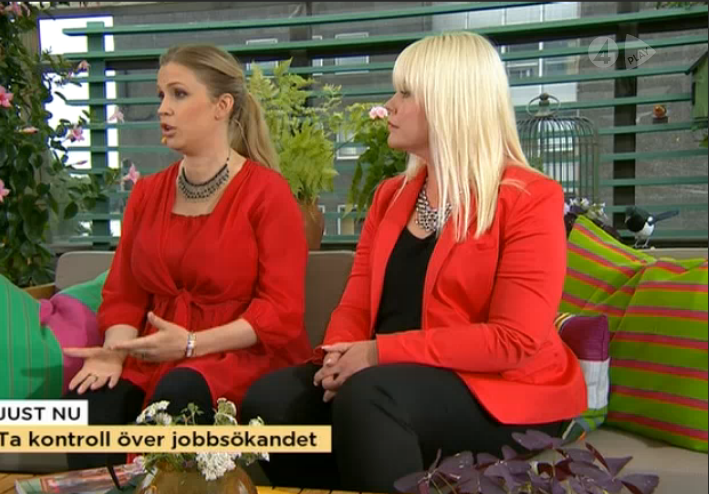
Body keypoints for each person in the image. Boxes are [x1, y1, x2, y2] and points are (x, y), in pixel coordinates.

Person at [241, 31, 587, 492]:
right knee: (269, 403)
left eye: (405, 93)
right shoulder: (390, 196)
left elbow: (513, 340)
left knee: (370, 398)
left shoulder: (530, 198)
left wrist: (377, 354)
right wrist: (336, 358)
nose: (389, 105)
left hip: (501, 387)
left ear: (450, 104)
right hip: (390, 382)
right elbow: (356, 304)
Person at [62, 44, 312, 470]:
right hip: (157, 353)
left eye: (178, 94)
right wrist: (114, 351)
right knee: (89, 399)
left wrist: (192, 344)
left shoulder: (268, 193)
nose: (163, 108)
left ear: (222, 106)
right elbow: (124, 294)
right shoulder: (147, 193)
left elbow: (281, 311)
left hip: (238, 356)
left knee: (179, 394)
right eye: (161, 95)